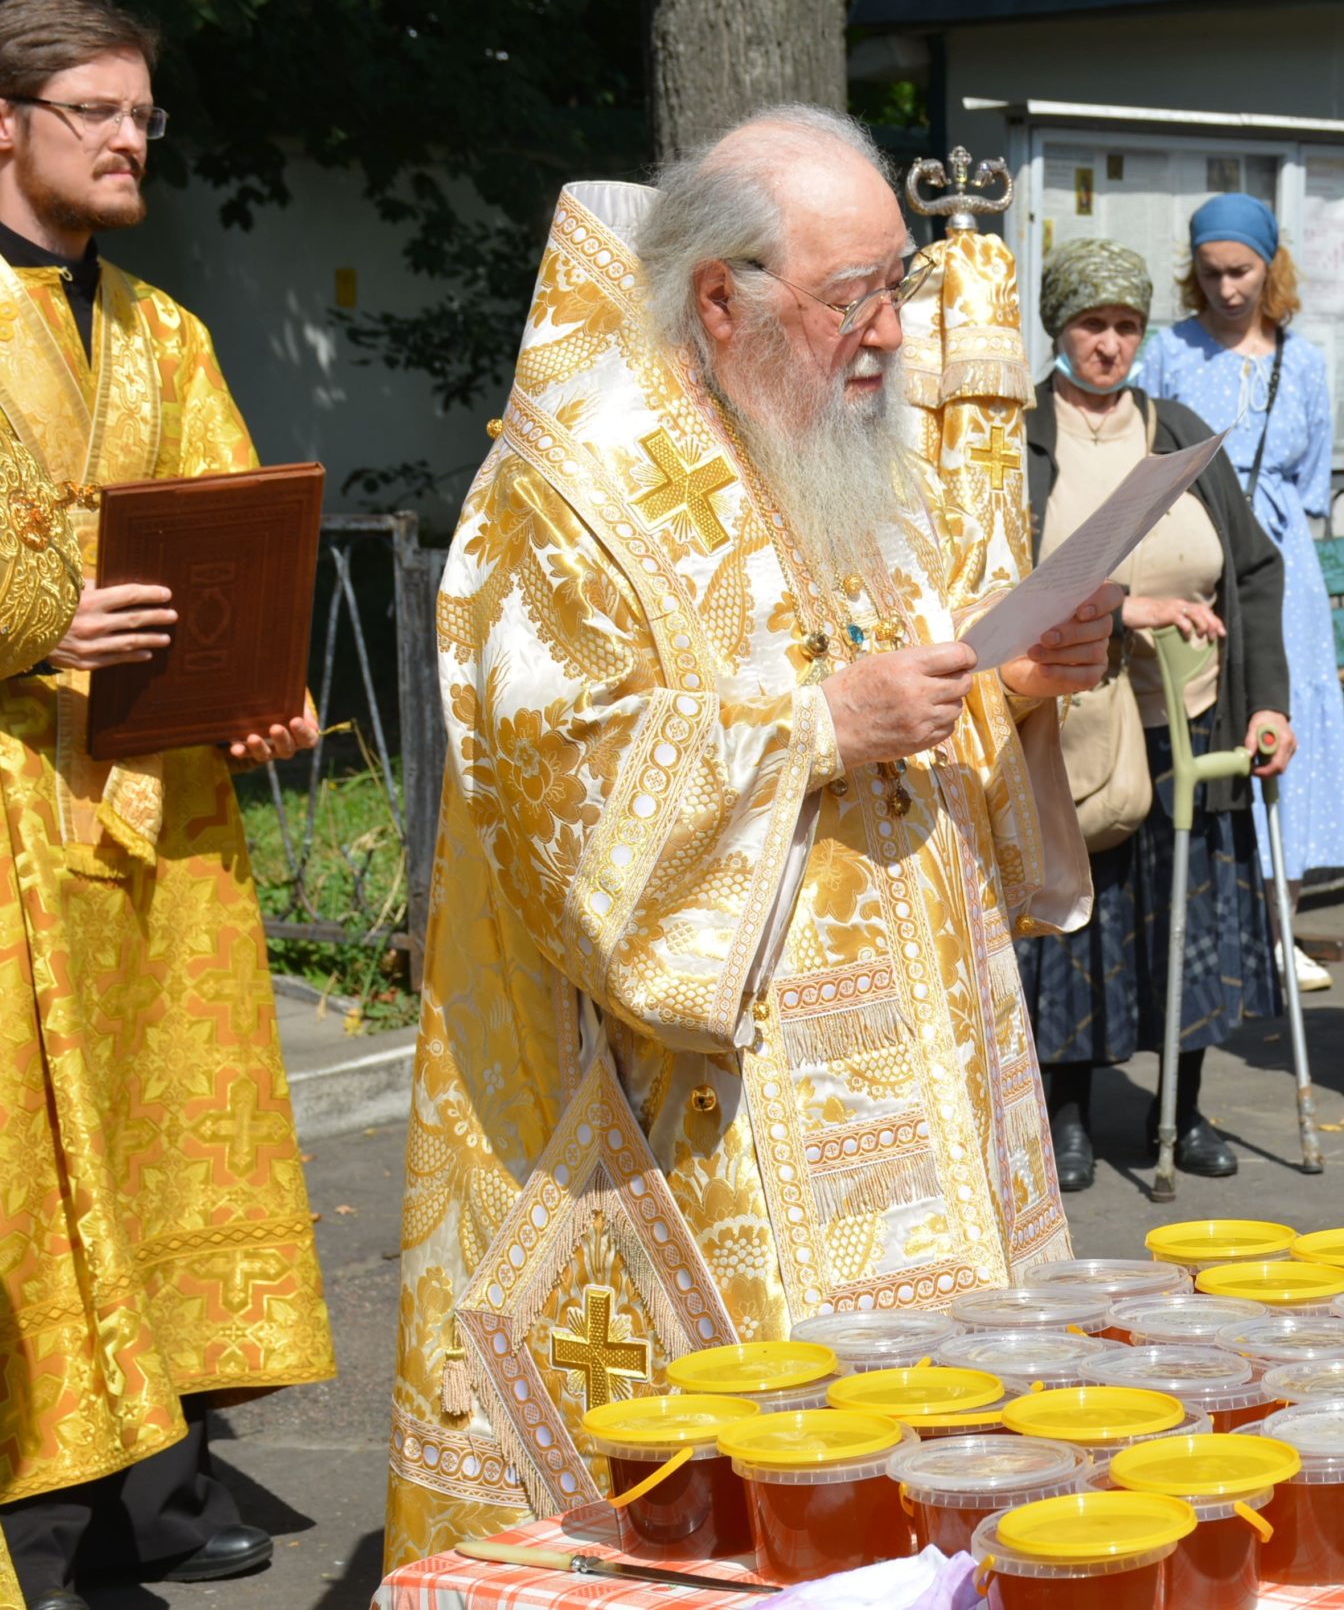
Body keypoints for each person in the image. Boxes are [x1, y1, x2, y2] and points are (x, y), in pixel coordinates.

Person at [383, 107, 1116, 1566]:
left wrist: (1016, 687)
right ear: (720, 299)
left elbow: (918, 694)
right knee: (767, 1525)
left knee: (959, 1479)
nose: (896, 335)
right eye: (856, 296)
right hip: (711, 1128)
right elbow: (555, 788)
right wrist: (811, 731)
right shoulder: (574, 484)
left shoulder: (843, 451)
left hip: (928, 1080)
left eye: (898, 287)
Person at [0, 0, 333, 1608]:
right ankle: (37, 1509)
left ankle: (158, 1473)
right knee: (31, 1158)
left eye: (145, 114)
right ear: (7, 123)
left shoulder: (164, 330)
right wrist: (30, 618)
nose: (133, 138)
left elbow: (229, 537)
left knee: (161, 1147)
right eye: (98, 112)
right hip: (8, 810)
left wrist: (266, 681)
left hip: (165, 810)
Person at [1018, 238, 1294, 1189]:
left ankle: (1183, 1108)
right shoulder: (1024, 444)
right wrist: (1123, 607)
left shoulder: (1176, 433)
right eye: (1092, 325)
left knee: (1193, 918)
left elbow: (1255, 569)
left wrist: (1268, 708)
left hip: (1196, 721)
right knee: (1077, 924)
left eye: (1127, 326)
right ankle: (1068, 1119)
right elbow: (1004, 585)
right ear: (1060, 327)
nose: (1110, 345)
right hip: (1078, 729)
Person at [1135, 194, 1344, 992]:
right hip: (1198, 556)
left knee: (1279, 720)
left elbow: (1312, 482)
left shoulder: (1301, 360)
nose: (1227, 287)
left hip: (1281, 567)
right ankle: (1214, 922)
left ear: (1271, 267)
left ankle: (1280, 925)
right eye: (1211, 273)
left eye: (1241, 271)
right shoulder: (1167, 353)